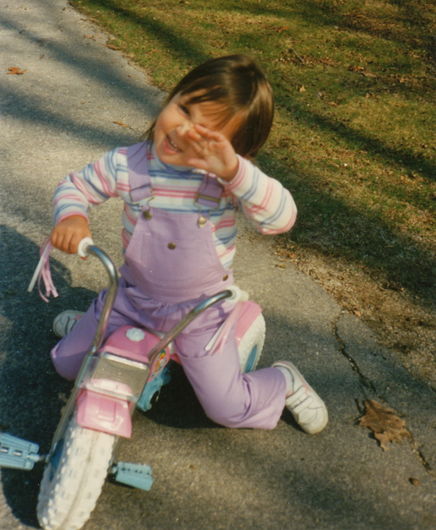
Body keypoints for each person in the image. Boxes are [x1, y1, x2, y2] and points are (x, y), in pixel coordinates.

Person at [49, 54, 328, 434]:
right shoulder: (129, 164)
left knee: (226, 407)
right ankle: (98, 329)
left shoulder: (226, 182)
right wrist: (72, 216)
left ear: (235, 150)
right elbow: (75, 186)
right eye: (182, 110)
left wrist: (234, 172)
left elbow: (281, 219)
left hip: (200, 313)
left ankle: (282, 381)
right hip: (132, 297)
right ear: (171, 96)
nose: (183, 131)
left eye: (206, 134)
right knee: (67, 366)